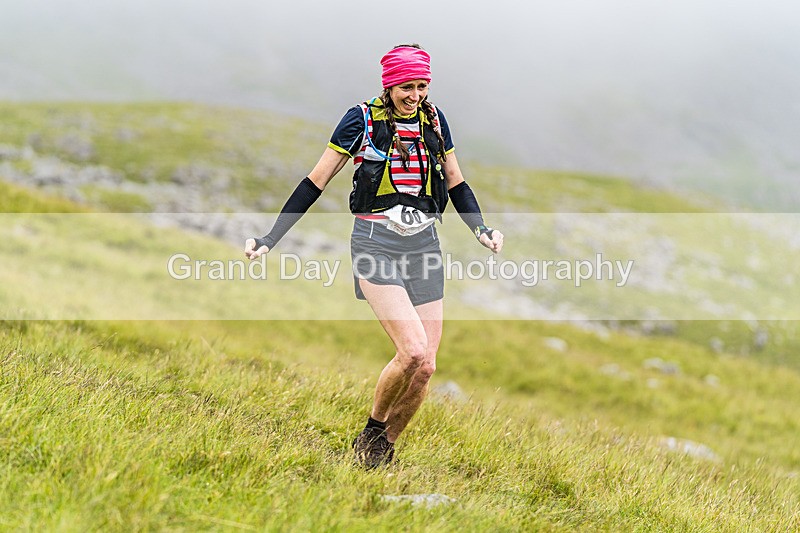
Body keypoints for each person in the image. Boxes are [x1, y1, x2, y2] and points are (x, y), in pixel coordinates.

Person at [245, 44, 503, 469]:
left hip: (423, 246)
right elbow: (316, 180)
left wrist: (481, 229)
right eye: (407, 86)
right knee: (413, 351)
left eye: (422, 86)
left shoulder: (434, 122)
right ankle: (372, 428)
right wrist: (272, 236)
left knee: (426, 368)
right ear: (389, 84)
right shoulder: (360, 120)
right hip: (374, 244)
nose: (415, 94)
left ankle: (380, 450)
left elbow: (455, 182)